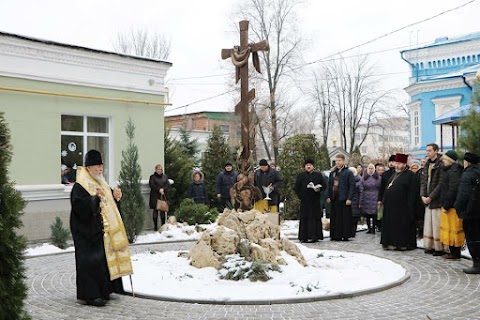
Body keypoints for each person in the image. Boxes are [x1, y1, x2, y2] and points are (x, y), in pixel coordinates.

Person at [70, 149, 132, 307]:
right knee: (91, 264)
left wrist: (116, 197)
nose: (100, 168)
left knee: (103, 263)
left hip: (101, 233)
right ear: (89, 168)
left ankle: (107, 290)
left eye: (101, 165)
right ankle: (91, 295)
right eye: (97, 166)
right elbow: (79, 206)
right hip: (87, 234)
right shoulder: (80, 186)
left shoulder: (101, 183)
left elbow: (108, 203)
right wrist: (93, 199)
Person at [380, 153, 418, 251]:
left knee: (401, 226)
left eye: (399, 163)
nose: (397, 165)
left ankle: (402, 244)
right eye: (396, 163)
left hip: (403, 207)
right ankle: (389, 242)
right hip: (390, 206)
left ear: (405, 164)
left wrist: (410, 207)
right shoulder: (394, 174)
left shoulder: (410, 176)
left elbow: (413, 193)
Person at [454, 152, 480, 274]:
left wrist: (457, 207)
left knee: (472, 237)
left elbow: (463, 195)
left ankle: (477, 263)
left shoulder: (467, 175)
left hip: (471, 212)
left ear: (467, 162)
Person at [421, 143, 445, 256]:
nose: (427, 152)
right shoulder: (426, 164)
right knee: (429, 224)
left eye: (429, 150)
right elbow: (423, 181)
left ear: (436, 151)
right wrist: (423, 195)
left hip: (436, 200)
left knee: (436, 224)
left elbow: (441, 183)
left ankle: (438, 247)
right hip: (427, 199)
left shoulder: (441, 163)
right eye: (427, 150)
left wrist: (431, 197)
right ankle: (429, 245)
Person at [439, 150, 464, 260]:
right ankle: (452, 251)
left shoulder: (454, 172)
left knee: (453, 229)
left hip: (452, 206)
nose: (443, 161)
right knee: (449, 228)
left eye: (444, 159)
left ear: (449, 160)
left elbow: (453, 190)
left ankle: (455, 253)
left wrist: (446, 205)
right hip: (449, 204)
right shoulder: (450, 170)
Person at [294, 159, 326, 243]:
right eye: (307, 165)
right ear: (304, 167)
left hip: (315, 200)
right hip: (305, 201)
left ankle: (315, 236)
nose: (308, 166)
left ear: (313, 166)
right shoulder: (301, 176)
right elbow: (296, 188)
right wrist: (301, 196)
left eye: (310, 165)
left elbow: (324, 186)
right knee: (305, 218)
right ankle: (303, 236)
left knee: (314, 218)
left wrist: (319, 189)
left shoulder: (318, 175)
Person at [326, 154, 354, 241]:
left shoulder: (348, 172)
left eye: (339, 160)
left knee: (344, 218)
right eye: (336, 160)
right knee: (335, 218)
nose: (337, 162)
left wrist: (349, 198)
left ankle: (344, 235)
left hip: (344, 199)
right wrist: (328, 196)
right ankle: (335, 235)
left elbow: (351, 186)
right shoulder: (333, 172)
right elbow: (329, 185)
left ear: (343, 161)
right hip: (334, 198)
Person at [149, 164, 170, 231]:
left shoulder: (165, 177)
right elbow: (151, 185)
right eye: (158, 169)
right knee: (155, 211)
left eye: (160, 169)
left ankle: (162, 226)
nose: (159, 171)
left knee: (163, 211)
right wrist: (159, 189)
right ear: (156, 170)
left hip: (163, 195)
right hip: (155, 196)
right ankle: (155, 227)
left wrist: (163, 189)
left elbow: (167, 184)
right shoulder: (152, 177)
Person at [361, 163, 381, 234]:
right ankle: (369, 228)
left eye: (372, 168)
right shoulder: (364, 177)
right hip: (366, 196)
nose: (370, 169)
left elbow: (380, 186)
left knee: (374, 214)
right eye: (369, 168)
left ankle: (374, 228)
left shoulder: (378, 177)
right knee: (367, 214)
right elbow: (361, 186)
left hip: (375, 195)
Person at [349, 166, 364, 237]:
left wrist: (360, 202)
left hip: (356, 201)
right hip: (349, 201)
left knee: (354, 217)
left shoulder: (359, 180)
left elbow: (361, 192)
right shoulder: (348, 180)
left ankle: (353, 232)